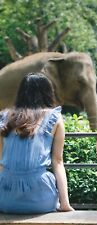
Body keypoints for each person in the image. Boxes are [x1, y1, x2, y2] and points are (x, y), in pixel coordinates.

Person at [0, 72, 74, 214]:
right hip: (41, 198)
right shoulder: (54, 118)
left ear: (21, 93)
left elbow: (1, 163)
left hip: (5, 198)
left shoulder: (5, 117)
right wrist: (65, 203)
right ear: (47, 92)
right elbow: (58, 161)